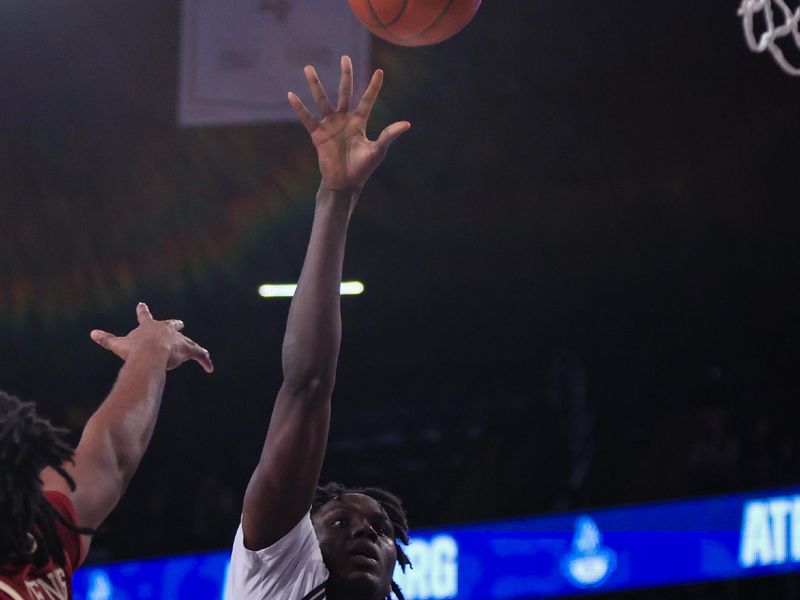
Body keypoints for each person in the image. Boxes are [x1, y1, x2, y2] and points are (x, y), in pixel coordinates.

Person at [225, 56, 411, 600]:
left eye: (378, 530)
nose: (366, 532)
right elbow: (307, 386)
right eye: (339, 522)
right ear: (299, 540)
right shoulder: (278, 567)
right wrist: (337, 197)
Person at [0, 303, 213, 599]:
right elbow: (111, 452)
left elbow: (111, 451)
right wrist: (151, 350)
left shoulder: (39, 542)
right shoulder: (40, 545)